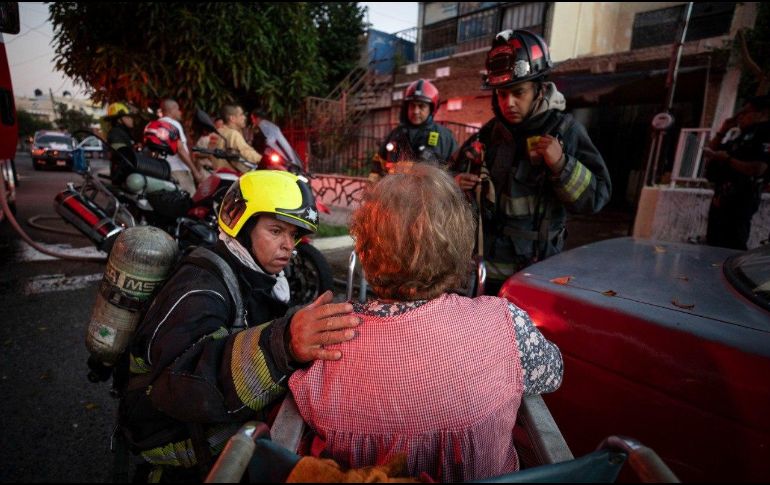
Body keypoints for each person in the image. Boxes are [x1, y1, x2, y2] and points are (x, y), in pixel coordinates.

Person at [289, 163, 563, 482]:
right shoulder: (504, 321)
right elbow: (552, 373)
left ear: (364, 250)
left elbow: (298, 407)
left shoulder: (329, 334)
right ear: (460, 245)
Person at [119, 170, 360, 481]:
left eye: (294, 235)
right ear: (242, 226)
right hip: (174, 438)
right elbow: (181, 383)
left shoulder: (257, 276)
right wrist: (282, 345)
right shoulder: (200, 288)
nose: (288, 246)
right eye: (276, 231)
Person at [451, 29, 611, 292]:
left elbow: (597, 197)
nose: (509, 103)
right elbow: (447, 176)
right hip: (483, 276)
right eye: (502, 95)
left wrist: (562, 166)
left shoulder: (565, 131)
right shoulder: (489, 134)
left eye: (518, 92)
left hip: (536, 275)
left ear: (539, 89)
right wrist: (456, 182)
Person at [703, 94, 770, 250]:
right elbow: (710, 151)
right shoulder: (740, 136)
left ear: (762, 113)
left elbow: (758, 168)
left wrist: (727, 160)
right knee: (713, 244)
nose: (740, 117)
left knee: (731, 246)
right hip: (722, 197)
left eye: (746, 112)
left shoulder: (764, 133)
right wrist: (723, 130)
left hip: (741, 200)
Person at [368, 79, 458, 183]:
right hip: (395, 197)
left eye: (421, 106)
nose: (415, 111)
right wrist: (372, 187)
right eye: (412, 105)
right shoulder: (395, 134)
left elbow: (456, 173)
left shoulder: (444, 137)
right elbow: (378, 166)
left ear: (432, 109)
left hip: (429, 198)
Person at [158, 98, 206, 195]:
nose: (180, 113)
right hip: (179, 172)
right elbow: (180, 149)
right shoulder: (173, 124)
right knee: (189, 203)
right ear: (172, 110)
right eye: (178, 109)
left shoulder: (155, 125)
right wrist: (195, 171)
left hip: (161, 171)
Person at [213, 104, 262, 172]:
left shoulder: (218, 132)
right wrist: (263, 160)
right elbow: (247, 152)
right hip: (230, 176)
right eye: (241, 115)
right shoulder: (233, 134)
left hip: (217, 174)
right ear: (232, 118)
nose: (244, 117)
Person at [103, 101, 136, 184]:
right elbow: (122, 157)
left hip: (126, 177)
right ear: (119, 120)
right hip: (123, 179)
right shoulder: (116, 133)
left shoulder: (123, 132)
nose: (131, 119)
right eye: (128, 117)